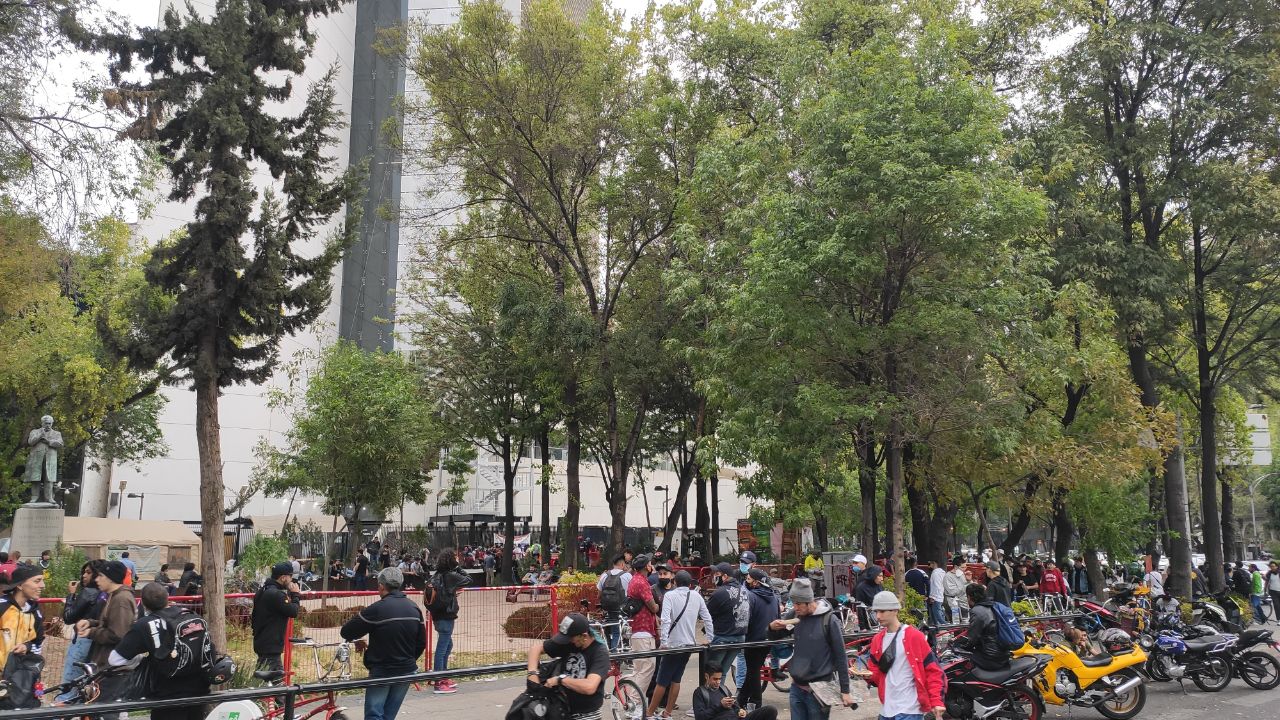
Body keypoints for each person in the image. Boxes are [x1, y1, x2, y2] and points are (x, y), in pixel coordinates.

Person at [108, 583, 211, 720]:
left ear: (143, 604)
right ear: (168, 597)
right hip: (199, 691)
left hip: (167, 696)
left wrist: (142, 659)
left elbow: (115, 659)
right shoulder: (190, 615)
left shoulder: (144, 625)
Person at [341, 568, 426, 720]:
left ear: (381, 586)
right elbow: (421, 643)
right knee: (388, 715)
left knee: (374, 713)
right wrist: (408, 659)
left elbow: (347, 631)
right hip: (406, 668)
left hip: (382, 669)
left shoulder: (377, 609)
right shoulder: (414, 608)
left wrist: (357, 639)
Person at [766, 578, 854, 720]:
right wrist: (771, 628)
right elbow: (776, 636)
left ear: (809, 601)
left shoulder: (829, 620)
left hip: (819, 690)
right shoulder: (795, 615)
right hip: (796, 687)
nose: (795, 607)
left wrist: (845, 690)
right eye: (793, 603)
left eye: (798, 604)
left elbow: (840, 655)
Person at [866, 590, 945, 720]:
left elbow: (933, 671)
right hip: (886, 710)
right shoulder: (877, 640)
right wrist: (866, 675)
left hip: (910, 710)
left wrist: (936, 701)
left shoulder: (914, 636)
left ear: (895, 610)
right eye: (876, 612)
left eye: (882, 611)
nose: (878, 616)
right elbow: (875, 673)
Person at [647, 570, 714, 720]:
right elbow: (707, 618)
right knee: (676, 679)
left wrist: (664, 642)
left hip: (673, 645)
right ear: (690, 584)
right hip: (689, 644)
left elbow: (665, 620)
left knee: (662, 680)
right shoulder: (696, 596)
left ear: (675, 582)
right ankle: (667, 713)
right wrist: (710, 638)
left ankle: (649, 713)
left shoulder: (670, 596)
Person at [525, 613, 610, 720]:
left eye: (571, 638)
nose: (568, 641)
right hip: (562, 710)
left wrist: (560, 680)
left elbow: (589, 687)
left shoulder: (599, 652)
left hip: (586, 715)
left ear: (584, 636)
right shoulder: (569, 643)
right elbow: (536, 649)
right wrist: (532, 673)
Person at [77, 560, 137, 703]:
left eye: (100, 575)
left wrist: (91, 632)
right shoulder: (113, 595)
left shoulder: (121, 599)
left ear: (111, 578)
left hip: (114, 669)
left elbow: (117, 633)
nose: (96, 579)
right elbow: (110, 622)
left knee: (106, 709)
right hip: (107, 665)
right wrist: (90, 622)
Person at [56, 560, 107, 703]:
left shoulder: (88, 592)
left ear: (97, 574)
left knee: (70, 683)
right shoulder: (106, 594)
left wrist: (71, 596)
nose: (84, 575)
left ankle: (61, 709)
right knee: (86, 685)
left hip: (82, 640)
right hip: (98, 642)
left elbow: (68, 617)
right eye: (84, 572)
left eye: (88, 572)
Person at [428, 548, 472, 693]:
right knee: (442, 648)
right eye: (454, 557)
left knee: (447, 645)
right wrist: (457, 567)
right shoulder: (450, 575)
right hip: (446, 615)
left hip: (438, 615)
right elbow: (468, 579)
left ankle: (443, 676)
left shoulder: (436, 576)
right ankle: (438, 682)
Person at [738, 568, 781, 709]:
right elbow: (778, 617)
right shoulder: (774, 597)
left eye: (749, 579)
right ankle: (741, 700)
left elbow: (745, 619)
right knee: (753, 670)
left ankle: (756, 702)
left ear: (756, 582)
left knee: (753, 671)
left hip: (753, 640)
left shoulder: (750, 597)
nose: (746, 581)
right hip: (768, 640)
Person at [251, 561, 302, 673]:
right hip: (271, 648)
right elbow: (293, 611)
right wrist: (295, 594)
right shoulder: (277, 595)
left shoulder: (261, 591)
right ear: (283, 578)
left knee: (262, 679)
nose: (292, 580)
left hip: (261, 643)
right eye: (290, 576)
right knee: (277, 681)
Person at [706, 563, 751, 680]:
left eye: (717, 574)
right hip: (740, 638)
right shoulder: (744, 591)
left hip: (722, 637)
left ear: (725, 576)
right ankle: (720, 691)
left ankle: (712, 692)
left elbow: (706, 614)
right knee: (723, 672)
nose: (714, 576)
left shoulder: (719, 593)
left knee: (711, 673)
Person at [0, 565, 45, 669]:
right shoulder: (2, 607)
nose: (43, 585)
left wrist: (26, 647)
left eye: (42, 581)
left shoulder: (35, 612)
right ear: (20, 585)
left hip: (19, 674)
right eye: (37, 581)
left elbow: (38, 643)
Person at [627, 555, 660, 695]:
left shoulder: (634, 579)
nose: (651, 566)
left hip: (637, 629)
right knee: (647, 667)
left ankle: (630, 698)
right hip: (643, 629)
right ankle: (635, 700)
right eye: (650, 563)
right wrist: (658, 605)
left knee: (638, 669)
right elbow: (653, 607)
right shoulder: (642, 582)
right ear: (646, 566)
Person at [696, 664, 778, 720]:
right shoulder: (700, 693)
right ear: (707, 676)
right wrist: (720, 705)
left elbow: (736, 706)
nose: (718, 682)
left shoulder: (723, 688)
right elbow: (700, 717)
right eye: (715, 679)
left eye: (720, 679)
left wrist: (740, 711)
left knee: (771, 710)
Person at [959, 583, 1011, 671]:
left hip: (989, 657)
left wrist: (959, 646)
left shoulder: (977, 611)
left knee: (962, 663)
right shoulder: (995, 606)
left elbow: (972, 638)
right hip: (1003, 654)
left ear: (969, 597)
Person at [596, 554, 632, 650]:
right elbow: (632, 593)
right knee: (620, 632)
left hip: (608, 610)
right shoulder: (627, 576)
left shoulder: (604, 575)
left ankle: (609, 650)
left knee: (610, 631)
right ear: (622, 564)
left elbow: (599, 595)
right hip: (623, 610)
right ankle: (616, 652)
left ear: (613, 564)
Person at [943, 556, 967, 622]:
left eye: (965, 567)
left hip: (964, 603)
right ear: (956, 567)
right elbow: (952, 592)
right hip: (953, 604)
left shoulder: (962, 574)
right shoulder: (948, 576)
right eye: (962, 567)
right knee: (956, 622)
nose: (964, 569)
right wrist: (964, 586)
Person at [926, 559, 946, 626]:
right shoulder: (942, 573)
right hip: (940, 596)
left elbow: (936, 586)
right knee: (938, 615)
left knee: (937, 616)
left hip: (936, 597)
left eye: (929, 564)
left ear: (934, 563)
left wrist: (933, 597)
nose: (928, 566)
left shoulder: (935, 573)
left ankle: (946, 627)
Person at [1268, 561, 1280, 626]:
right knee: (1276, 606)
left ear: (1277, 566)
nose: (1272, 567)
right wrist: (1265, 590)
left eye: (1273, 566)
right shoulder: (1269, 573)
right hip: (1273, 592)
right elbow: (1267, 581)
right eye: (1271, 566)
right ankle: (1279, 620)